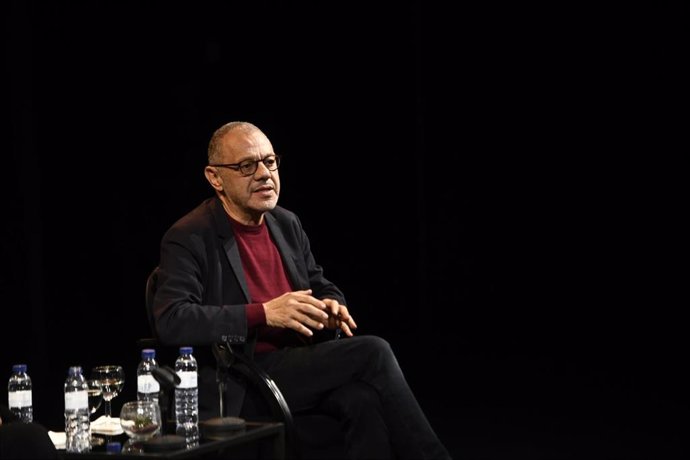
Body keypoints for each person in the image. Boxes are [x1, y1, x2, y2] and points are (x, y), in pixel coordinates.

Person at [152, 121, 452, 460]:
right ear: (215, 177)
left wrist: (332, 305)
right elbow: (172, 319)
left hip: (298, 364)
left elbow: (319, 283)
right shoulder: (190, 235)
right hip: (244, 376)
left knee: (362, 400)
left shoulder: (285, 223)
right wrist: (264, 312)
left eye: (270, 161)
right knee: (374, 352)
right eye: (247, 166)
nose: (265, 174)